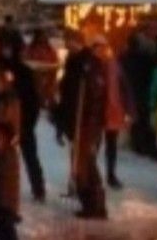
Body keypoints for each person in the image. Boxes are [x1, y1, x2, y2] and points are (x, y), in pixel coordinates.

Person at [55, 30, 108, 220]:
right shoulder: (72, 62)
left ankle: (96, 205)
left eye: (71, 41)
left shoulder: (89, 63)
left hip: (86, 122)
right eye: (67, 41)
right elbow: (67, 94)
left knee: (86, 163)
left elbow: (96, 94)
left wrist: (89, 118)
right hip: (73, 120)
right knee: (79, 163)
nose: (68, 45)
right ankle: (88, 201)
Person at [0, 31, 44, 202]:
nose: (6, 50)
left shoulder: (24, 72)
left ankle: (38, 189)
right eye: (3, 46)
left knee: (30, 155)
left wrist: (28, 122)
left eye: (9, 47)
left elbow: (33, 99)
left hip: (23, 120)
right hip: (1, 122)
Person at [93, 36, 133, 189]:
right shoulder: (91, 66)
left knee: (111, 145)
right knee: (94, 145)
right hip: (96, 111)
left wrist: (128, 108)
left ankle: (111, 174)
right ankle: (92, 174)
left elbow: (124, 88)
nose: (102, 51)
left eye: (104, 48)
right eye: (99, 48)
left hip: (113, 109)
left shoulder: (114, 66)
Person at [0, 68, 22, 240]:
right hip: (3, 158)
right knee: (0, 210)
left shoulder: (7, 100)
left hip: (4, 158)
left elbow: (5, 125)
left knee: (2, 212)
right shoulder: (2, 99)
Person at [120, 27, 157, 156]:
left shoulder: (123, 58)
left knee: (135, 119)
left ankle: (136, 144)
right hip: (143, 91)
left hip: (130, 91)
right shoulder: (145, 58)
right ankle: (145, 146)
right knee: (144, 120)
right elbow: (150, 73)